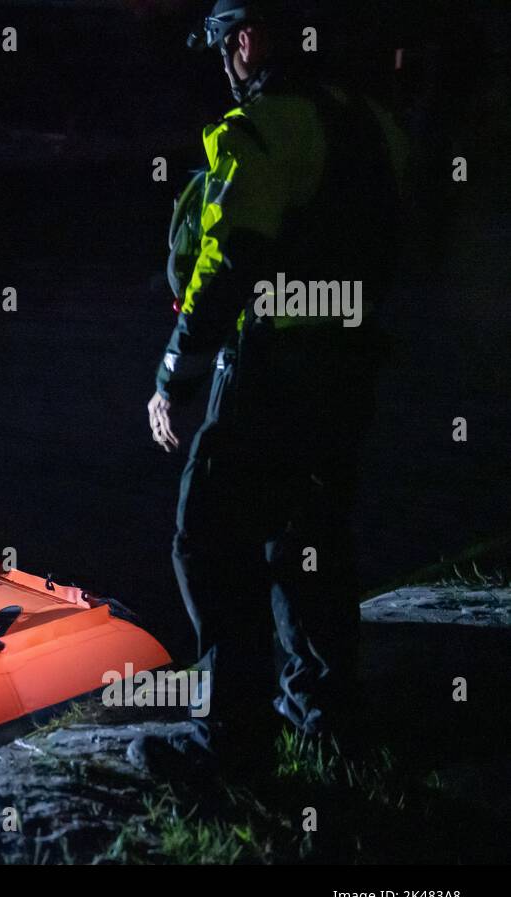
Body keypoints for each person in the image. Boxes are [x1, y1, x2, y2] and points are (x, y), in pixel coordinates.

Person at [135, 0, 406, 774]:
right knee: (309, 538)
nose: (225, 62)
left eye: (226, 45)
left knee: (208, 538)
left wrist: (172, 380)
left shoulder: (260, 130)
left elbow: (228, 269)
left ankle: (234, 737)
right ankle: (324, 715)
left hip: (271, 380)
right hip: (350, 375)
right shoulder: (377, 127)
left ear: (250, 38)